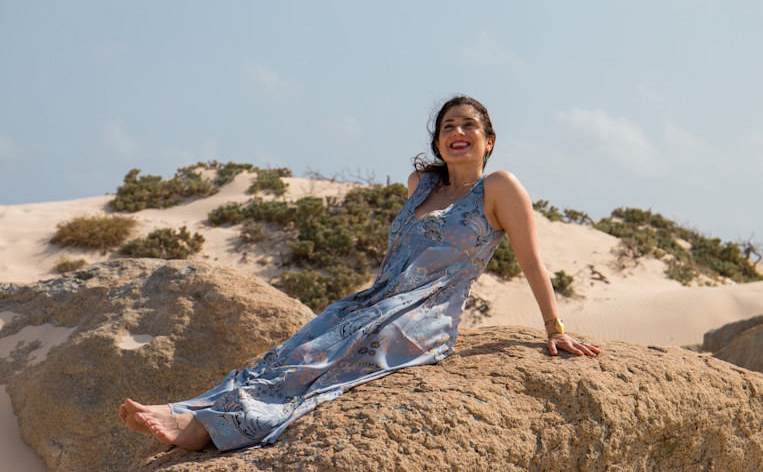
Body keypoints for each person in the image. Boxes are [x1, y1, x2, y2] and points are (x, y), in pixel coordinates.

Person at [119, 95, 601, 452]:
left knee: (326, 366)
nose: (458, 131)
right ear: (437, 142)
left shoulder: (499, 186)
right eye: (448, 126)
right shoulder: (420, 184)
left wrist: (554, 328)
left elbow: (531, 261)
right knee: (295, 352)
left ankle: (210, 430)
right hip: (374, 301)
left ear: (488, 141)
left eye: (469, 125)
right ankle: (187, 409)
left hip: (423, 318)